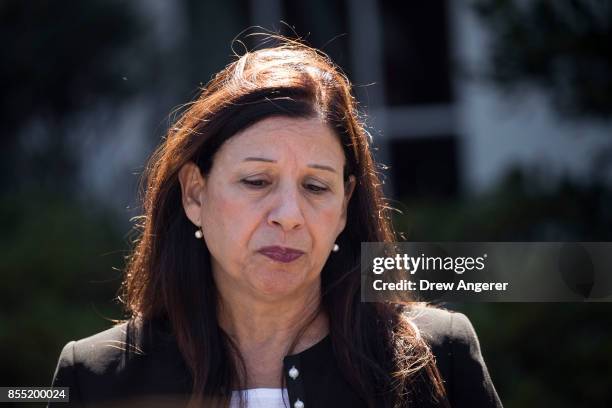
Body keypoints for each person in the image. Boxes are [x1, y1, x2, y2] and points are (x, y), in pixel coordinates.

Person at [49, 37, 502, 408]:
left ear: (344, 207)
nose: (288, 216)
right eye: (257, 181)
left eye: (316, 187)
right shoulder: (95, 379)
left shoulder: (437, 358)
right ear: (195, 194)